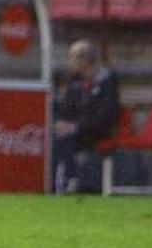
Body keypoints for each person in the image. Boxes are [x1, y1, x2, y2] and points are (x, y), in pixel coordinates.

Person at [53, 39, 120, 194]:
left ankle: (73, 180)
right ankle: (55, 183)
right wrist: (61, 122)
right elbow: (67, 107)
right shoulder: (75, 80)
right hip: (76, 129)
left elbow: (107, 114)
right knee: (56, 135)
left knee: (67, 137)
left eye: (73, 57)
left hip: (99, 129)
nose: (70, 61)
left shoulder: (107, 80)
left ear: (86, 60)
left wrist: (77, 126)